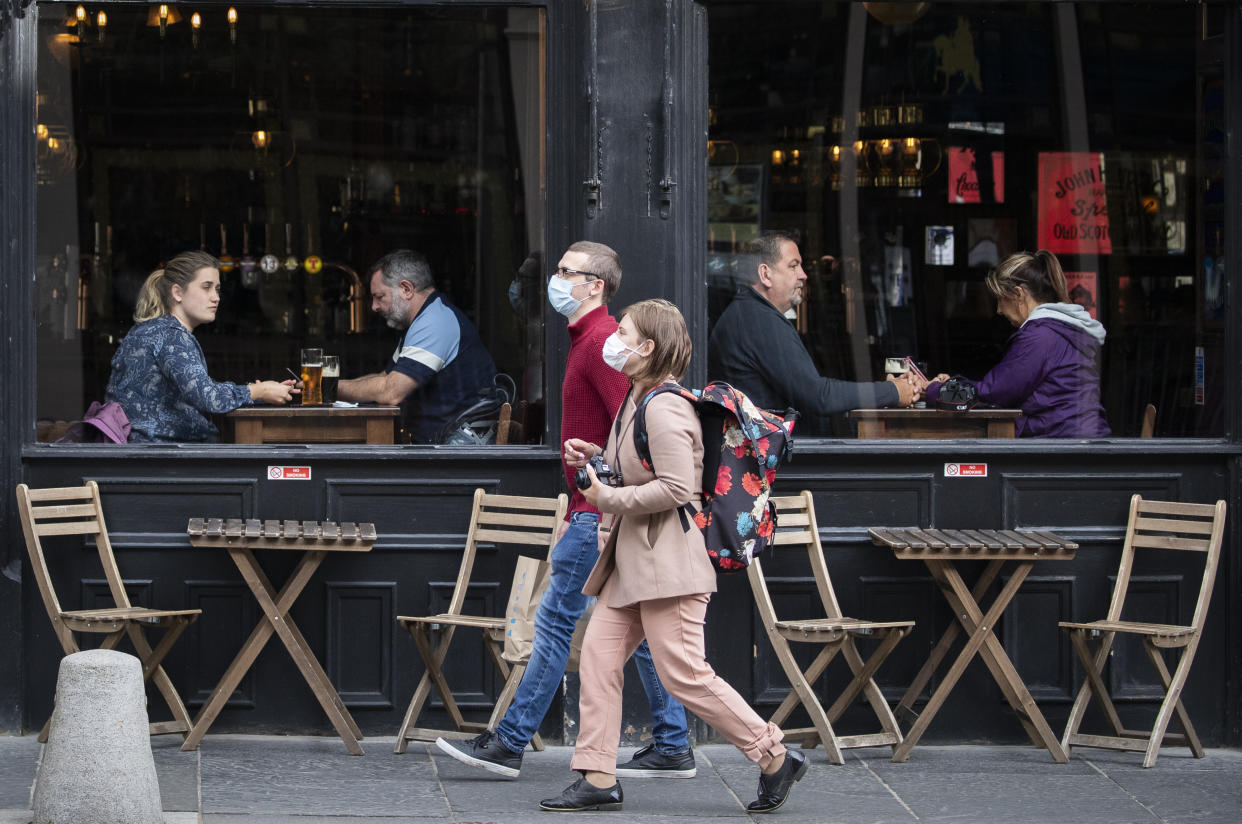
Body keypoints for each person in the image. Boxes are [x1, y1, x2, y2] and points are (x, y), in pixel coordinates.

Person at [437, 242, 695, 780]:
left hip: (597, 509)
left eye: (564, 272)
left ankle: (509, 741)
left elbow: (636, 419)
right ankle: (673, 742)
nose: (553, 280)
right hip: (597, 508)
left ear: (594, 285)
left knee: (554, 622)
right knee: (639, 629)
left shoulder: (602, 341)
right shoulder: (589, 340)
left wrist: (596, 496)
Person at [540, 299, 805, 814]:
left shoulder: (663, 406)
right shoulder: (636, 398)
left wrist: (606, 499)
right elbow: (640, 467)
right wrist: (596, 458)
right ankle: (596, 777)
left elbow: (678, 487)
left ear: (648, 348)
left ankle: (773, 754)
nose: (615, 339)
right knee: (597, 659)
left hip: (667, 565)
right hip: (633, 563)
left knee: (684, 673)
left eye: (625, 332)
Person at [708, 231, 918, 431]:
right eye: (793, 266)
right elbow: (819, 396)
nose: (804, 275)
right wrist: (893, 392)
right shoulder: (758, 321)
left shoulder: (750, 313)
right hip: (768, 463)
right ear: (765, 274)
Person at [105, 251, 296, 443]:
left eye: (217, 289)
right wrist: (258, 391)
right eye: (206, 287)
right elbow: (208, 397)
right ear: (177, 292)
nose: (216, 297)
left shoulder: (153, 329)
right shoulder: (171, 335)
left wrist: (260, 392)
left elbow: (200, 388)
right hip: (161, 459)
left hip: (145, 453)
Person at [921, 250, 1111, 438]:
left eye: (1001, 299)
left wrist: (933, 390)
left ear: (1018, 294)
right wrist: (952, 385)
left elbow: (995, 392)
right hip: (1076, 441)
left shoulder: (1039, 336)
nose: (999, 310)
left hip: (1060, 447)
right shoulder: (1060, 330)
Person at [337, 250, 497, 444]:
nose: (374, 307)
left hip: (455, 454)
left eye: (379, 296)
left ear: (406, 289)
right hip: (440, 447)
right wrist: (325, 387)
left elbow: (391, 392)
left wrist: (326, 389)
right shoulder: (422, 320)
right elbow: (385, 378)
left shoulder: (435, 322)